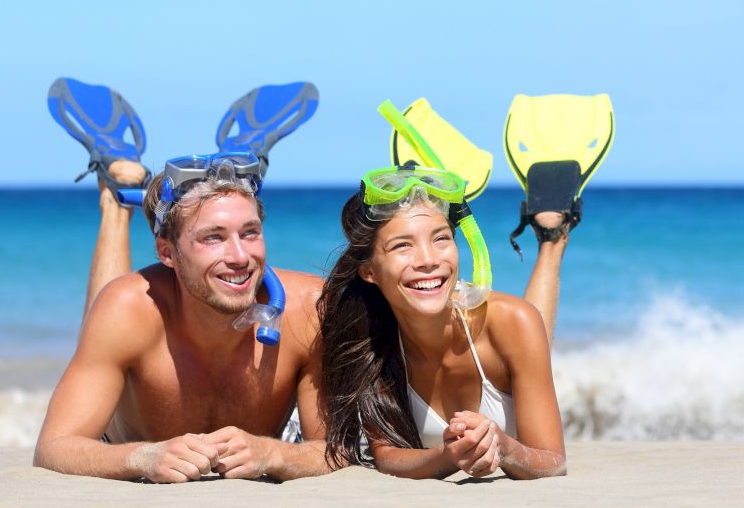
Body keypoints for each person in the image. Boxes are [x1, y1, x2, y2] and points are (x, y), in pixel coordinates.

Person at [34, 80, 328, 482]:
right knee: (113, 304)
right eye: (213, 237)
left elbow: (336, 452)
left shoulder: (308, 308)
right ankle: (118, 192)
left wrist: (272, 453)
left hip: (272, 442)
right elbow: (55, 446)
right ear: (167, 253)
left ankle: (237, 163)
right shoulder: (130, 309)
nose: (240, 257)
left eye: (250, 232)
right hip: (124, 440)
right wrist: (144, 458)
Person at [319, 166, 567, 480]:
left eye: (441, 239)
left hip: (506, 326)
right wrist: (447, 457)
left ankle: (552, 237)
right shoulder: (370, 340)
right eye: (402, 245)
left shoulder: (511, 321)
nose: (428, 260)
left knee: (531, 326)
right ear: (369, 271)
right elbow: (387, 455)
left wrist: (505, 448)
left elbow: (553, 460)